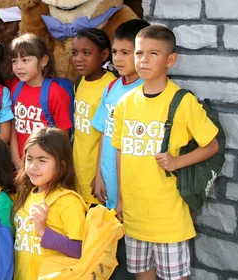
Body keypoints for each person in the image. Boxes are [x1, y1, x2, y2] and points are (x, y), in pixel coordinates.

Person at [112, 25, 219, 280]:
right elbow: (120, 152)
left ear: (170, 59)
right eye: (139, 53)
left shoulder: (182, 101)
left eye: (153, 54)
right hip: (135, 212)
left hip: (168, 215)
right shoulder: (126, 102)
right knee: (142, 274)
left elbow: (212, 145)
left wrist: (177, 161)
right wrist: (121, 199)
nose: (143, 60)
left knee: (175, 276)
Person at [91, 20, 148, 280]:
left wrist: (125, 196)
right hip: (109, 185)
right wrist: (99, 176)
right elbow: (104, 132)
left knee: (135, 259)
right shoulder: (112, 87)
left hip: (132, 190)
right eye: (115, 52)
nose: (119, 58)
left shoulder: (144, 91)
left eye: (126, 53)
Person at [13, 128, 88, 280]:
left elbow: (79, 250)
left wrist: (43, 231)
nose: (33, 166)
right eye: (29, 159)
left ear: (62, 165)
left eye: (42, 160)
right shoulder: (25, 193)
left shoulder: (68, 201)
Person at [9, 33, 72, 168]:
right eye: (15, 61)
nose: (19, 66)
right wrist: (16, 159)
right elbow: (14, 126)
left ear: (43, 61)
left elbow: (63, 136)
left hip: (46, 166)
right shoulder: (16, 89)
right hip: (21, 164)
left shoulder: (55, 92)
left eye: (25, 60)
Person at [71, 28, 116, 205]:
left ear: (104, 54)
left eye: (86, 53)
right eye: (75, 53)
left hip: (99, 177)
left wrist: (101, 175)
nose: (78, 58)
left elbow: (110, 136)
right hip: (79, 170)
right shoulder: (80, 82)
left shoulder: (111, 86)